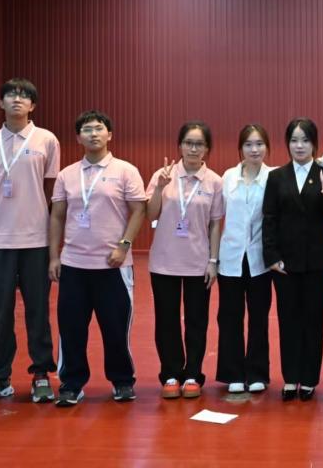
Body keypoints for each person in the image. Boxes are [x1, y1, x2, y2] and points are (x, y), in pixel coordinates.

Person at [0, 78, 60, 405]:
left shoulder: (46, 139)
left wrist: (46, 234)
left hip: (36, 240)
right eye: (10, 95)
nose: (17, 100)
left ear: (33, 105)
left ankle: (41, 374)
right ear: (1, 103)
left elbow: (50, 192)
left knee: (38, 311)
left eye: (24, 96)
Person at [48, 110, 147, 407]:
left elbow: (139, 210)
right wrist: (54, 257)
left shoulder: (126, 170)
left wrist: (124, 246)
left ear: (109, 135)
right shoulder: (67, 175)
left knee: (116, 329)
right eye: (87, 129)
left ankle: (122, 381)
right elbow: (57, 216)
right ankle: (71, 384)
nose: (93, 134)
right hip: (74, 264)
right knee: (71, 329)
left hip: (113, 265)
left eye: (99, 128)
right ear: (78, 137)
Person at [261, 118, 323, 401]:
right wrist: (271, 257)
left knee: (313, 319)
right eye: (294, 140)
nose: (299, 146)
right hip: (284, 263)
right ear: (287, 143)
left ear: (314, 144)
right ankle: (290, 377)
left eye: (305, 140)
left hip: (316, 263)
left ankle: (308, 379)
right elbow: (269, 219)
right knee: (288, 320)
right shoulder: (276, 176)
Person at [145, 121, 225, 400]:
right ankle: (170, 373)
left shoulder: (214, 181)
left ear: (207, 149)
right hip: (164, 261)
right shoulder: (163, 175)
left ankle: (192, 374)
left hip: (198, 262)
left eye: (199, 144)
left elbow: (215, 225)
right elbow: (150, 214)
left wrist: (213, 260)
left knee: (196, 321)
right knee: (166, 320)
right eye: (188, 143)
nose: (193, 149)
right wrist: (159, 188)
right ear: (179, 145)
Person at [216, 124, 275, 395]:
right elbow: (216, 217)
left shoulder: (273, 177)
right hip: (231, 257)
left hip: (260, 259)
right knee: (230, 317)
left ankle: (257, 372)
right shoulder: (228, 177)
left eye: (259, 144)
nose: (254, 149)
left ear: (267, 147)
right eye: (249, 144)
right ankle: (233, 373)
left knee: (259, 317)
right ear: (240, 148)